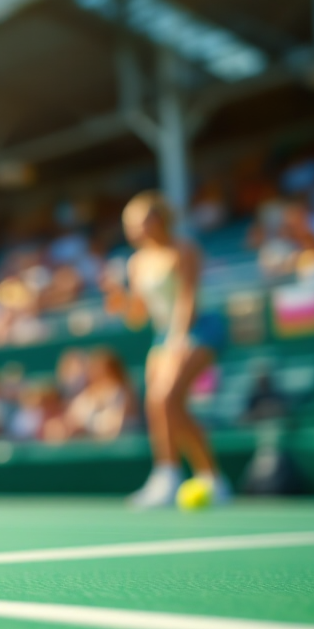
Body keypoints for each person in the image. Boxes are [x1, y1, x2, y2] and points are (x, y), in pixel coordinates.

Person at [102, 191, 231, 507]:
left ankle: (196, 476)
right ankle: (185, 476)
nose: (135, 229)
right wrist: (119, 300)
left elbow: (188, 300)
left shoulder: (185, 249)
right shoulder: (135, 263)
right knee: (161, 405)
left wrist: (178, 341)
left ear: (160, 219)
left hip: (200, 328)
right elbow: (138, 316)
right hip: (163, 334)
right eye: (130, 224)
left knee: (166, 399)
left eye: (142, 222)